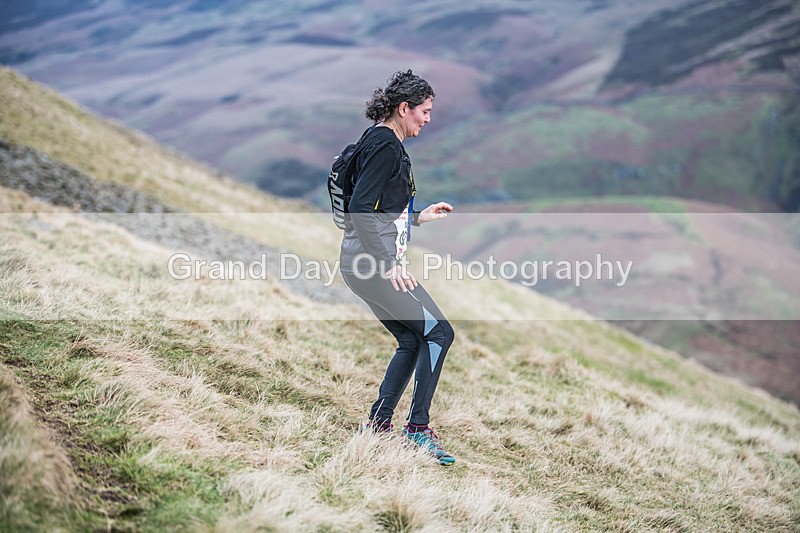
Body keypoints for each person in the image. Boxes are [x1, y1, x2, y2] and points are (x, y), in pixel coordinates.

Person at [339, 70, 456, 466]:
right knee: (439, 333)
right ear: (403, 108)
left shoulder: (378, 139)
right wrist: (388, 263)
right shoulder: (386, 145)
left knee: (413, 339)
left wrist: (418, 217)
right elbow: (359, 208)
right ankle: (418, 430)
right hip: (372, 265)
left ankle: (377, 426)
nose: (427, 118)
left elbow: (377, 206)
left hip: (362, 262)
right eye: (424, 111)